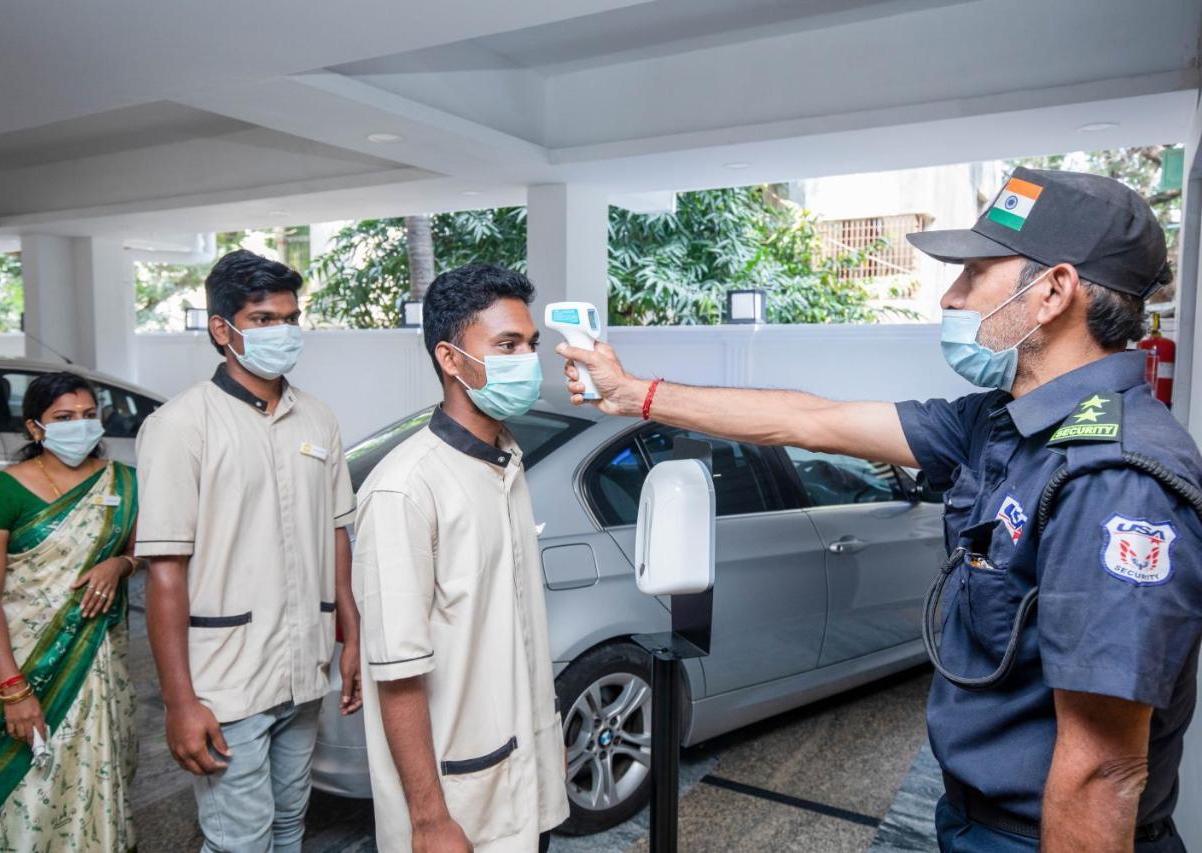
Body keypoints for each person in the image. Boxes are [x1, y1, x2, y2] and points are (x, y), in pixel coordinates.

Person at [558, 168, 1202, 852]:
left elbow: (1103, 770)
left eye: (975, 272)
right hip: (974, 819)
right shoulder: (1002, 423)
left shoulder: (1116, 478)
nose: (950, 296)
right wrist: (634, 393)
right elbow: (813, 419)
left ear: (1053, 290)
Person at [135, 249, 361, 853]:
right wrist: (180, 702)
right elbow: (164, 571)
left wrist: (352, 637)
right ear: (222, 329)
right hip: (226, 681)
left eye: (290, 317)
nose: (283, 330)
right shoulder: (180, 426)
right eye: (263, 319)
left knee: (289, 826)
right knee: (240, 840)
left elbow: (336, 531)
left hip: (304, 668)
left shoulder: (318, 418)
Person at [352, 263, 569, 852]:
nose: (527, 359)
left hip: (523, 782)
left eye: (530, 345)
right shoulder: (406, 489)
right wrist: (428, 819)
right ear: (451, 359)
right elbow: (398, 671)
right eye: (506, 345)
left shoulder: (505, 459)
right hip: (455, 803)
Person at [0, 371, 141, 851]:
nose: (80, 426)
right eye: (64, 418)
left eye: (89, 415)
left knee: (98, 772)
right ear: (36, 428)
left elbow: (141, 550)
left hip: (97, 659)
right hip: (20, 662)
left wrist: (120, 564)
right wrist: (13, 689)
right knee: (30, 787)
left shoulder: (124, 482)